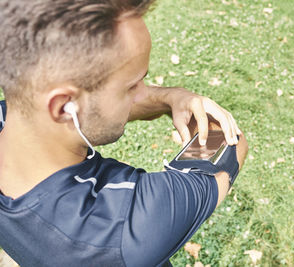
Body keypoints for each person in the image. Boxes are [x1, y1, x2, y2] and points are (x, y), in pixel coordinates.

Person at [0, 1, 248, 266]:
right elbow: (227, 140)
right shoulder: (120, 229)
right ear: (64, 107)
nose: (142, 93)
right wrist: (203, 120)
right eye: (131, 87)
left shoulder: (15, 118)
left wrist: (170, 98)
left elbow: (91, 112)